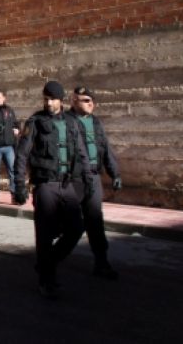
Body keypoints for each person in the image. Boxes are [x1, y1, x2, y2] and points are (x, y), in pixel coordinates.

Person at [14, 81, 93, 299]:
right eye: (45, 99)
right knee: (45, 234)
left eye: (52, 99)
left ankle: (47, 263)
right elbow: (22, 154)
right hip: (45, 184)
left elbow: (81, 151)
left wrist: (87, 179)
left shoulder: (71, 122)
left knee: (76, 228)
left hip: (68, 185)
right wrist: (19, 184)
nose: (48, 103)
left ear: (61, 100)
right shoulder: (35, 122)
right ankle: (47, 280)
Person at [67, 86, 122, 280]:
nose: (90, 104)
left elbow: (106, 149)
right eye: (84, 100)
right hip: (73, 179)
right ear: (74, 101)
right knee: (69, 223)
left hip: (93, 177)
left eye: (91, 100)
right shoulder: (66, 121)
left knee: (95, 220)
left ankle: (101, 263)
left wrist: (114, 173)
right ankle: (50, 261)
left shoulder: (96, 122)